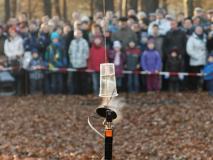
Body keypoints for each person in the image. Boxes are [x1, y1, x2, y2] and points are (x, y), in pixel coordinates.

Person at [4, 26, 25, 95]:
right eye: (11, 32)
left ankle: (19, 92)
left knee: (19, 76)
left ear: (16, 32)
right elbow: (6, 51)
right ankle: (14, 91)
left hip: (19, 60)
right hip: (10, 60)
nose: (12, 33)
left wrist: (17, 55)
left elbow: (21, 50)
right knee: (12, 77)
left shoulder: (20, 40)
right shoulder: (7, 41)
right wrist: (12, 55)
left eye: (14, 32)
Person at [68, 29, 89, 95]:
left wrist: (84, 59)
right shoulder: (72, 42)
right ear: (74, 35)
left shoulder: (84, 42)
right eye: (76, 33)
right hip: (74, 64)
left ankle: (83, 93)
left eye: (79, 33)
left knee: (83, 79)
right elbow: (70, 52)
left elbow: (87, 52)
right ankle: (75, 92)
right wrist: (71, 60)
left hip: (82, 64)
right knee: (74, 80)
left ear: (81, 34)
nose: (78, 35)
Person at [187, 26, 207, 91]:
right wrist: (197, 57)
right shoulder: (191, 39)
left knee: (203, 76)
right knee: (194, 76)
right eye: (198, 30)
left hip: (204, 61)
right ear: (195, 30)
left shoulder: (205, 37)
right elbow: (189, 50)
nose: (199, 31)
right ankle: (193, 89)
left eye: (200, 29)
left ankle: (202, 88)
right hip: (195, 61)